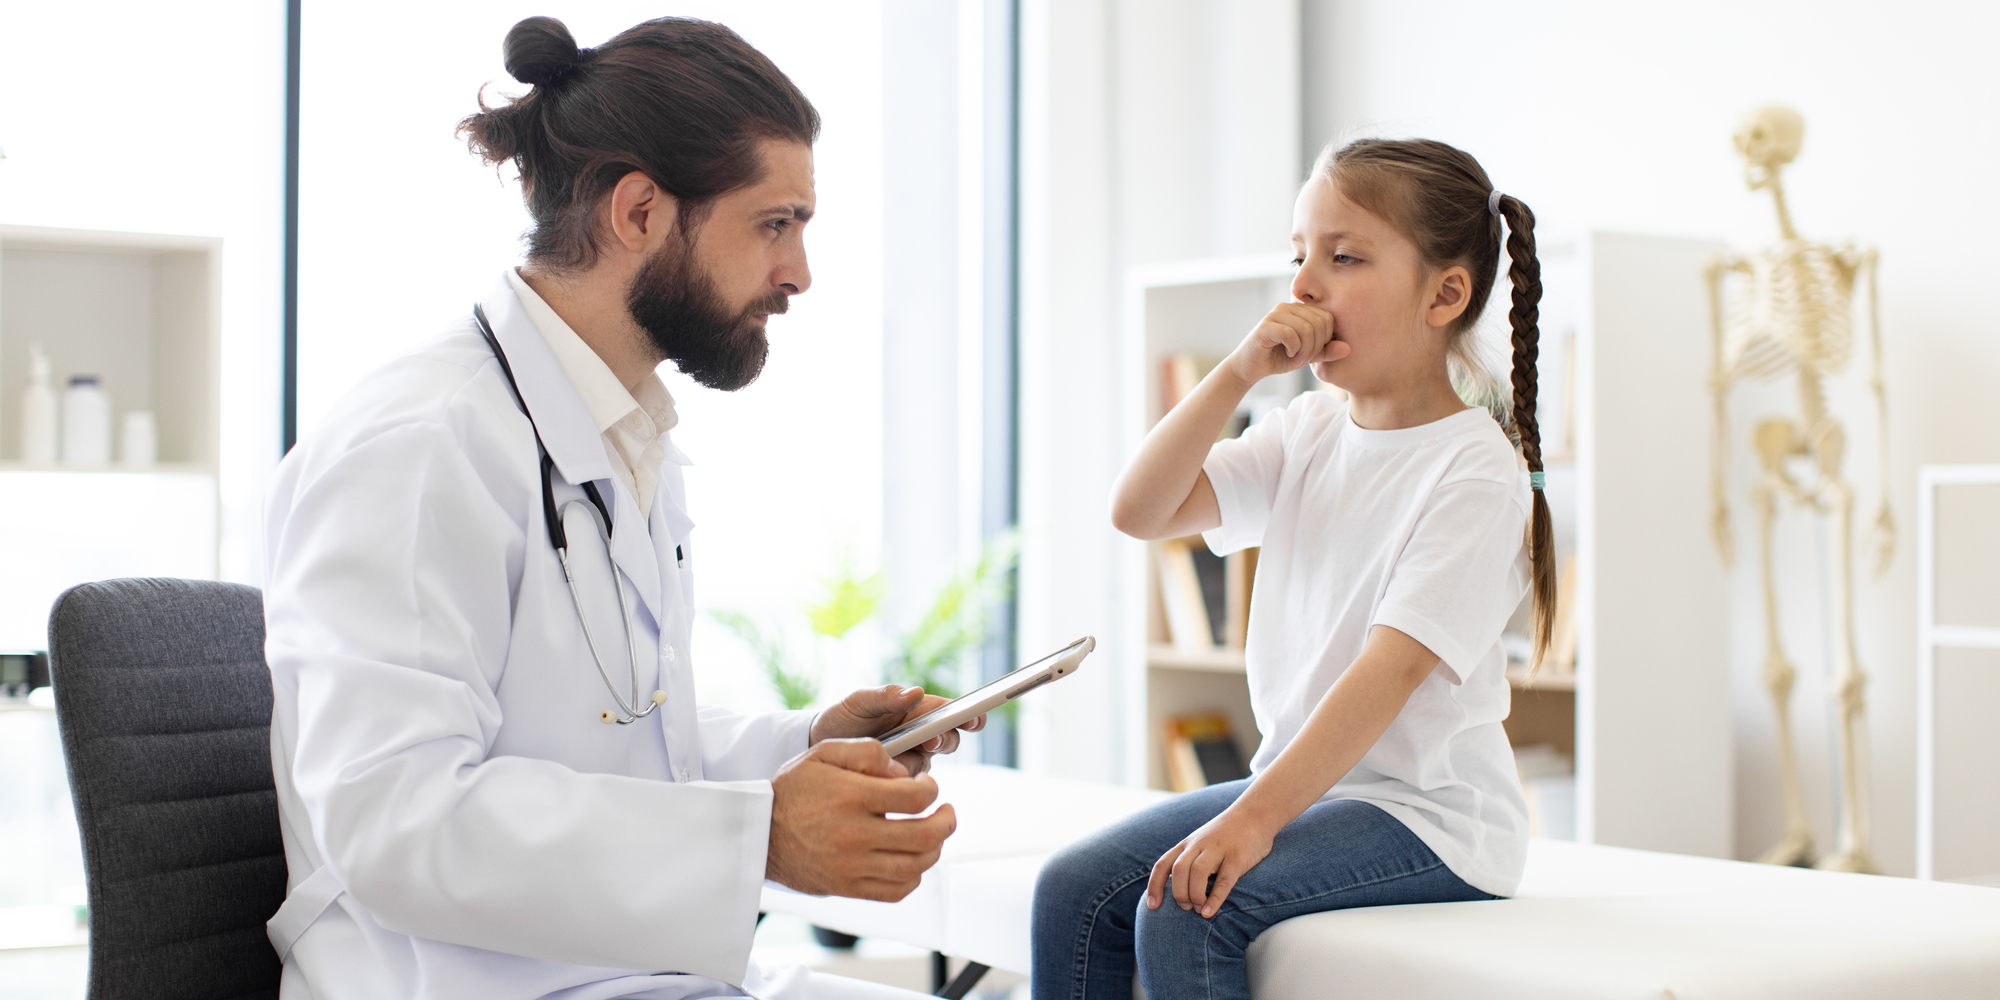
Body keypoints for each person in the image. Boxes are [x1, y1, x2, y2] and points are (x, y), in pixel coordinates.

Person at [261, 16, 977, 1000]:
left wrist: (800, 744)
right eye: (775, 222)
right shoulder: (422, 446)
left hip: (623, 977)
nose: (798, 273)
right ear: (637, 211)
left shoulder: (621, 436)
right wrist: (760, 836)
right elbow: (397, 821)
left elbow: (617, 744)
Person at [1032, 137, 1556, 1000]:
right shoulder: (1308, 430)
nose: (1305, 285)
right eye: (1298, 256)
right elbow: (1140, 510)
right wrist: (1238, 373)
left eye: (1344, 257)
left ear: (1445, 294)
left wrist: (1253, 822)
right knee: (1072, 893)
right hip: (1307, 792)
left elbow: (1387, 674)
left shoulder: (1475, 469)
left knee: (1187, 906)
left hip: (1427, 819)